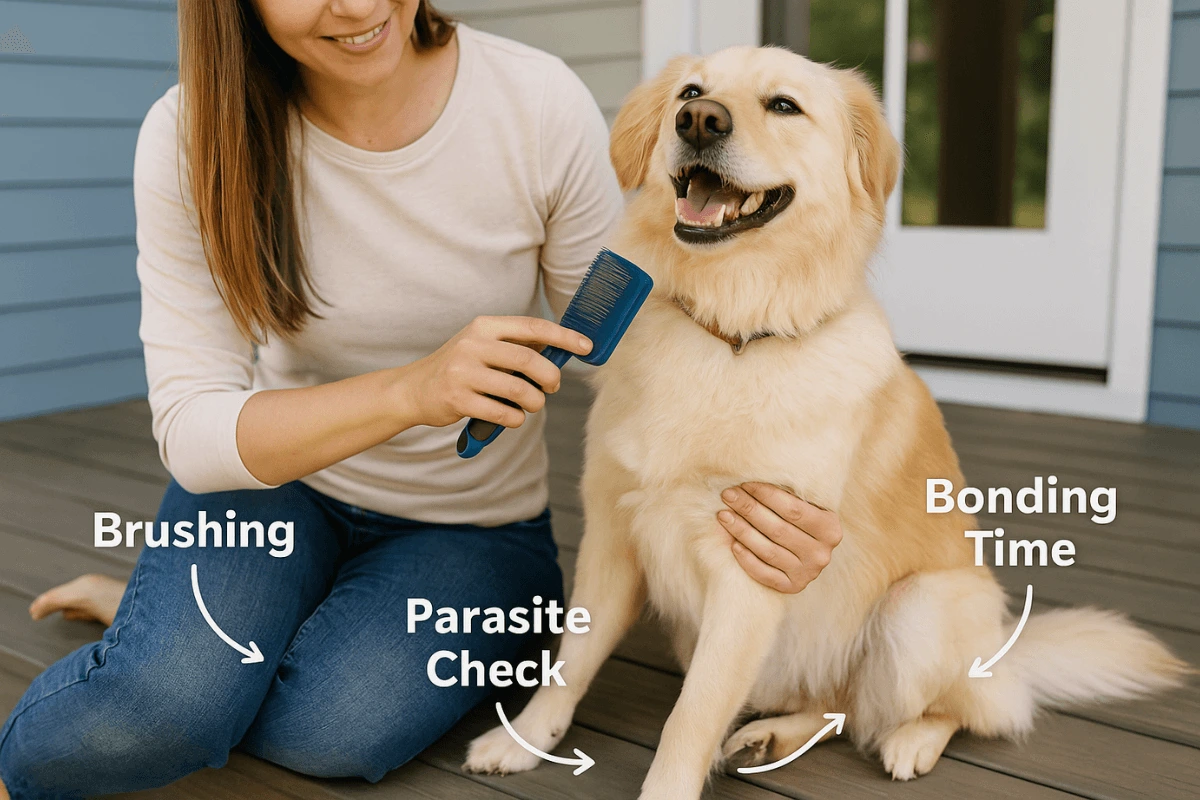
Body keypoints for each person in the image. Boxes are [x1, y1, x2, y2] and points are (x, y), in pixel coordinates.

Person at [0, 1, 843, 797]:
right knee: (161, 704)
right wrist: (413, 390)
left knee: (328, 732)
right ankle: (185, 653)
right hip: (275, 486)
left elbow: (623, 344)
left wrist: (798, 495)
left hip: (470, 529)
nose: (357, 7)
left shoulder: (534, 101)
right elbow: (193, 432)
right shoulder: (191, 134)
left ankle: (197, 645)